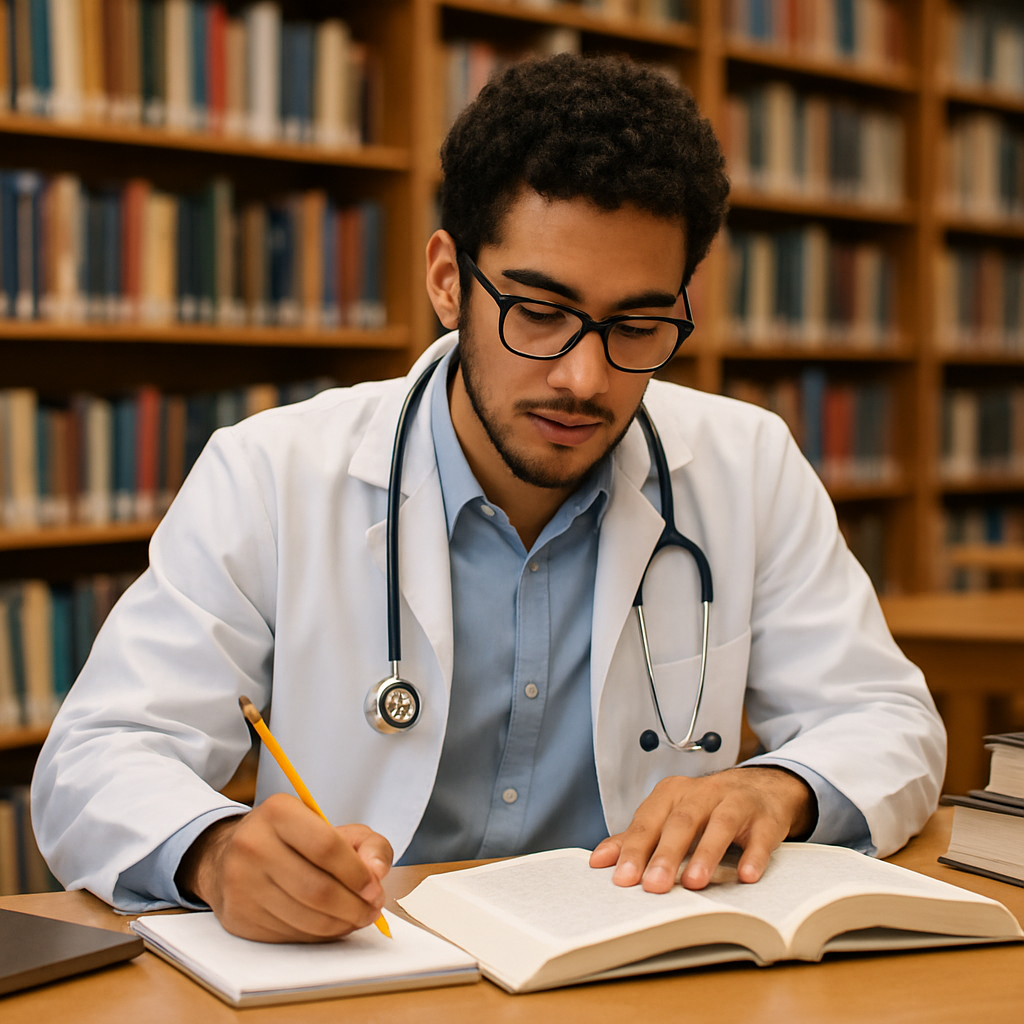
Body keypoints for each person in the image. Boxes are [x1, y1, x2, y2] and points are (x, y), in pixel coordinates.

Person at [32, 54, 945, 944]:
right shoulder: (271, 473)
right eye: (538, 313)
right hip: (365, 975)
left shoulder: (748, 464)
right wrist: (216, 853)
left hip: (640, 970)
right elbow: (97, 756)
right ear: (447, 280)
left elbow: (887, 720)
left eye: (636, 325)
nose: (583, 379)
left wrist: (777, 788)